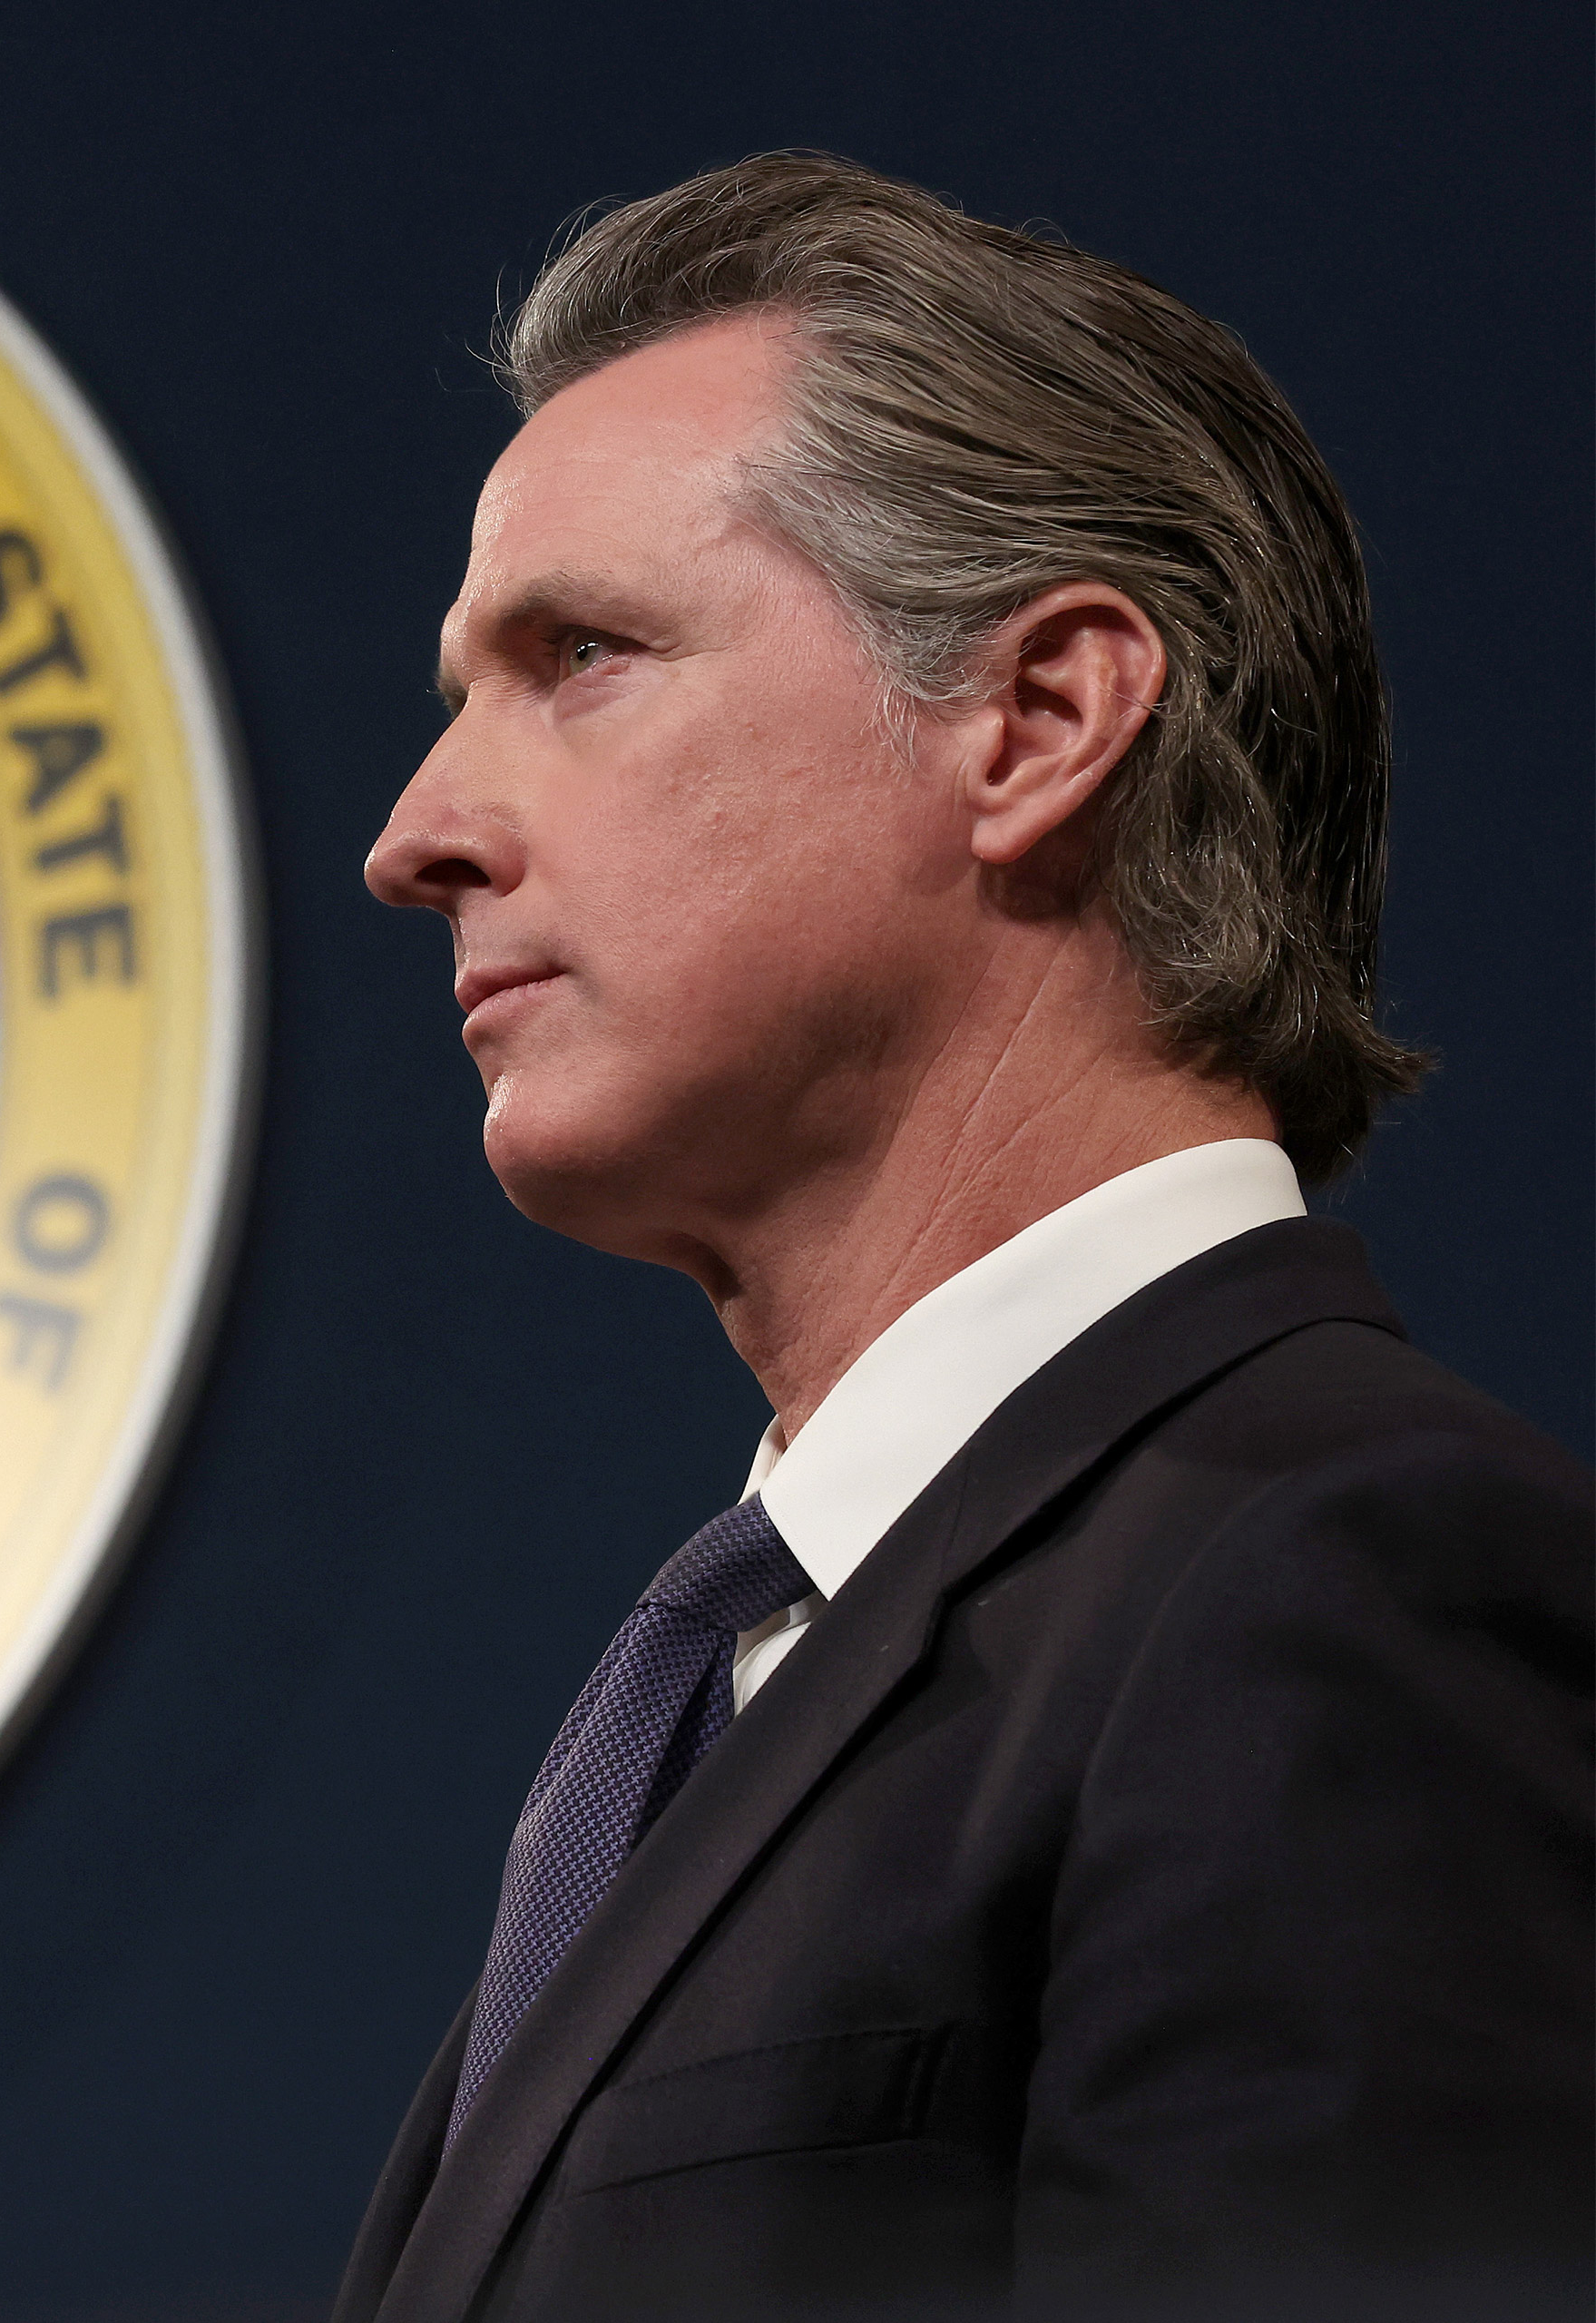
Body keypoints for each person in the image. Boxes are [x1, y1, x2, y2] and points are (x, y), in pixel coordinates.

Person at [340, 155, 1590, 2322]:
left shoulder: (1341, 1578)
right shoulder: (714, 1686)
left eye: (586, 657)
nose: (415, 834)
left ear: (1035, 721)